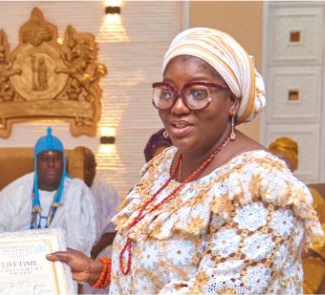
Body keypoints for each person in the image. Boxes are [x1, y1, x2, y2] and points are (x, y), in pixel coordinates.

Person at [47, 27, 324, 294]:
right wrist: (101, 272)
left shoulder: (261, 189)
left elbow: (223, 288)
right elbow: (164, 260)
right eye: (168, 92)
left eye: (198, 93)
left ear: (232, 101)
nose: (178, 107)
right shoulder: (164, 166)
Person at [0, 127, 97, 254]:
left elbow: (82, 243)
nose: (51, 164)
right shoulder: (17, 191)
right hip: (18, 259)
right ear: (36, 162)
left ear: (63, 162)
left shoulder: (77, 193)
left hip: (62, 261)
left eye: (56, 158)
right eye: (45, 159)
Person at [268, 137, 325, 294]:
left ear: (293, 164)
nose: (280, 164)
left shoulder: (310, 196)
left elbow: (321, 231)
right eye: (275, 159)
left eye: (285, 160)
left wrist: (301, 249)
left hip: (305, 258)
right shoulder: (259, 195)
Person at [82, 148, 120, 294]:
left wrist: (93, 252)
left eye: (90, 167)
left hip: (100, 252)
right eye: (83, 168)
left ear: (96, 166)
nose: (87, 172)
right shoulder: (66, 191)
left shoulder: (108, 192)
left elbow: (116, 229)